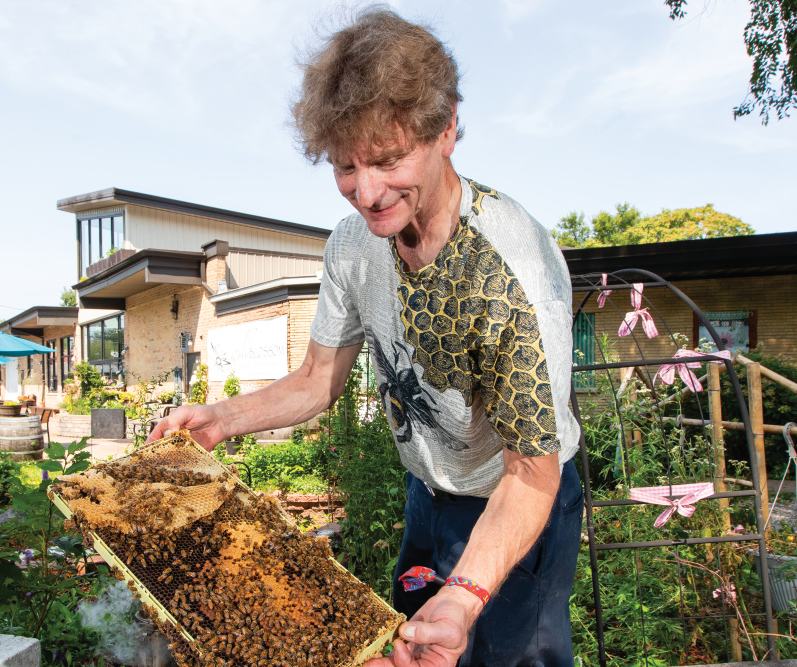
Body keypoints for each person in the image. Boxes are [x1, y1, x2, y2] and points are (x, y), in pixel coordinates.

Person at [148, 8, 583, 667]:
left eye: (386, 159)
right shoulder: (353, 245)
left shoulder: (510, 270)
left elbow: (532, 472)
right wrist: (218, 418)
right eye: (345, 166)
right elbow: (317, 377)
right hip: (428, 493)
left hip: (515, 500)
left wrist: (465, 591)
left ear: (447, 130)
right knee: (406, 655)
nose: (366, 191)